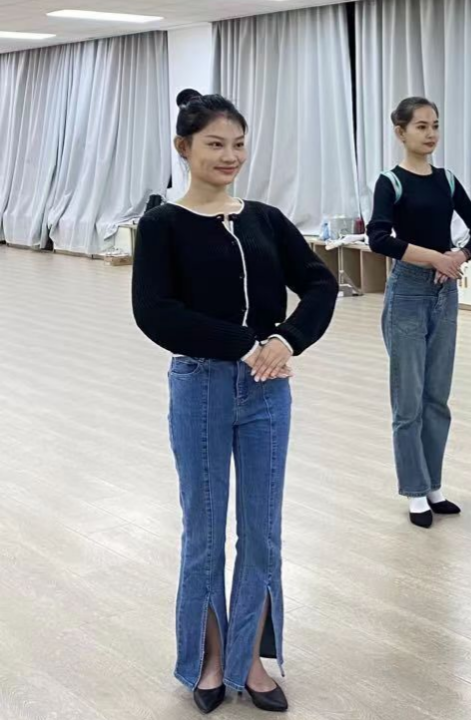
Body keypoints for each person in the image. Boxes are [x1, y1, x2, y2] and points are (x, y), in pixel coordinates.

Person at [132, 89, 337, 714]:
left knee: (262, 531)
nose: (230, 156)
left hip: (268, 390)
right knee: (204, 531)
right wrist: (244, 345)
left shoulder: (265, 219)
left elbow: (320, 284)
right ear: (183, 147)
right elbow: (156, 312)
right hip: (201, 386)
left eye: (239, 144)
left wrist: (286, 339)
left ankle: (251, 657)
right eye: (215, 144)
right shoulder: (163, 225)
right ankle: (210, 657)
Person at [367, 97, 471, 528]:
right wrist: (434, 258)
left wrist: (458, 256)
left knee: (437, 397)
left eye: (435, 125)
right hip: (407, 292)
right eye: (421, 126)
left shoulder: (447, 180)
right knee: (409, 402)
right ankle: (415, 490)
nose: (431, 133)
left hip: (445, 293)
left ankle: (434, 484)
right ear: (400, 132)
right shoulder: (391, 182)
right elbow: (379, 238)